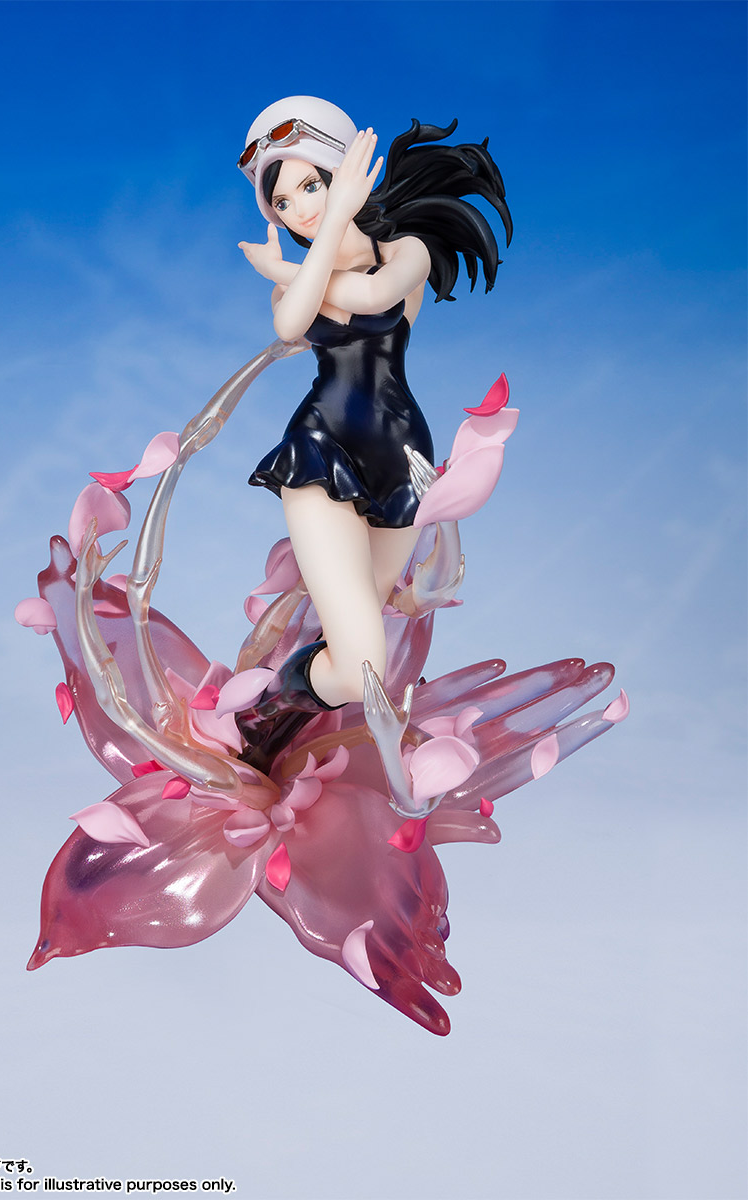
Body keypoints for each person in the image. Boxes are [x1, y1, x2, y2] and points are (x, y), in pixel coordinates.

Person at [235, 96, 512, 773]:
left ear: (346, 175)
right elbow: (290, 324)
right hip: (320, 449)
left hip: (402, 455)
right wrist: (305, 258)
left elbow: (370, 297)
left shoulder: (405, 251)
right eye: (282, 200)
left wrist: (291, 265)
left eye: (312, 186)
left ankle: (272, 729)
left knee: (356, 642)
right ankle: (263, 707)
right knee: (363, 661)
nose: (299, 211)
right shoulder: (295, 283)